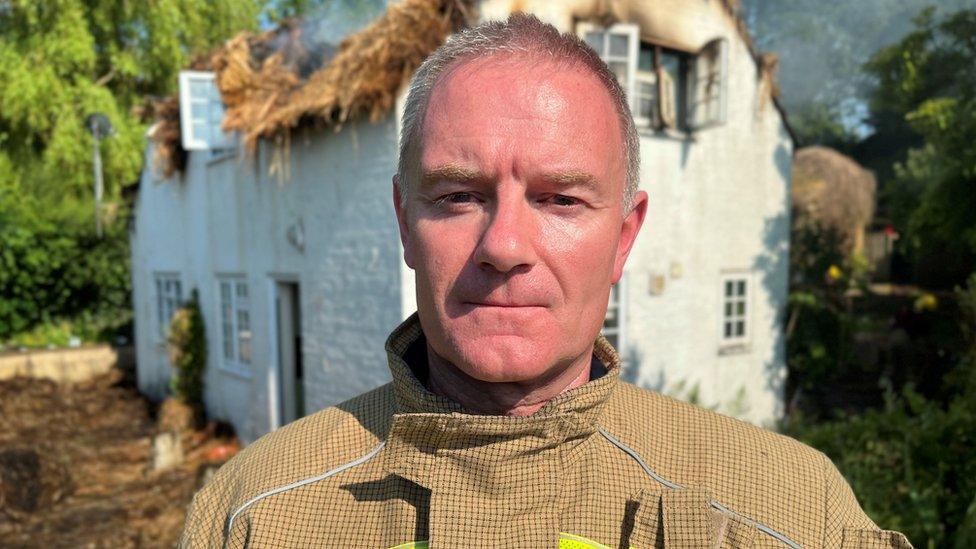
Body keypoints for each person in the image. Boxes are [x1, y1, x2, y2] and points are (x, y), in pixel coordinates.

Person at [179, 14, 911, 548]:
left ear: (624, 237)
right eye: (459, 195)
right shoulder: (252, 514)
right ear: (404, 223)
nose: (503, 245)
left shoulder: (793, 513)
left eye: (561, 199)